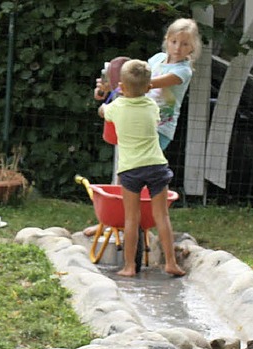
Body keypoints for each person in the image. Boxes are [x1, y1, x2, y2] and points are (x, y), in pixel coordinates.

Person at [98, 58, 185, 278]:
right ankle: (171, 263)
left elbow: (103, 111)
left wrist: (104, 102)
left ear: (122, 87)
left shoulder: (116, 107)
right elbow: (154, 118)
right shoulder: (151, 106)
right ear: (148, 87)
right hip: (156, 166)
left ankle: (129, 266)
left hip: (131, 170)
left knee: (131, 219)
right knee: (161, 216)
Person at [145, 17, 201, 150]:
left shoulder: (183, 71)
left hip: (161, 129)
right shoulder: (157, 59)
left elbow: (147, 83)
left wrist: (122, 81)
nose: (177, 48)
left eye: (184, 44)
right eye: (174, 42)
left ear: (192, 47)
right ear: (167, 39)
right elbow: (137, 76)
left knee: (144, 167)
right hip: (143, 122)